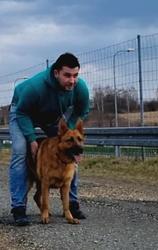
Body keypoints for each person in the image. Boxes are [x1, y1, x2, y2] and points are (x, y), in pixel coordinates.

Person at [9, 52, 89, 226]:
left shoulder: (80, 88)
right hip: (23, 111)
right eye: (67, 75)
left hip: (50, 115)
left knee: (70, 153)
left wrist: (68, 132)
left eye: (75, 75)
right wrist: (31, 139)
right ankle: (18, 208)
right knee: (20, 151)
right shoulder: (35, 87)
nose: (72, 81)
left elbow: (81, 112)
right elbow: (22, 112)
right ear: (56, 73)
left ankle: (72, 204)